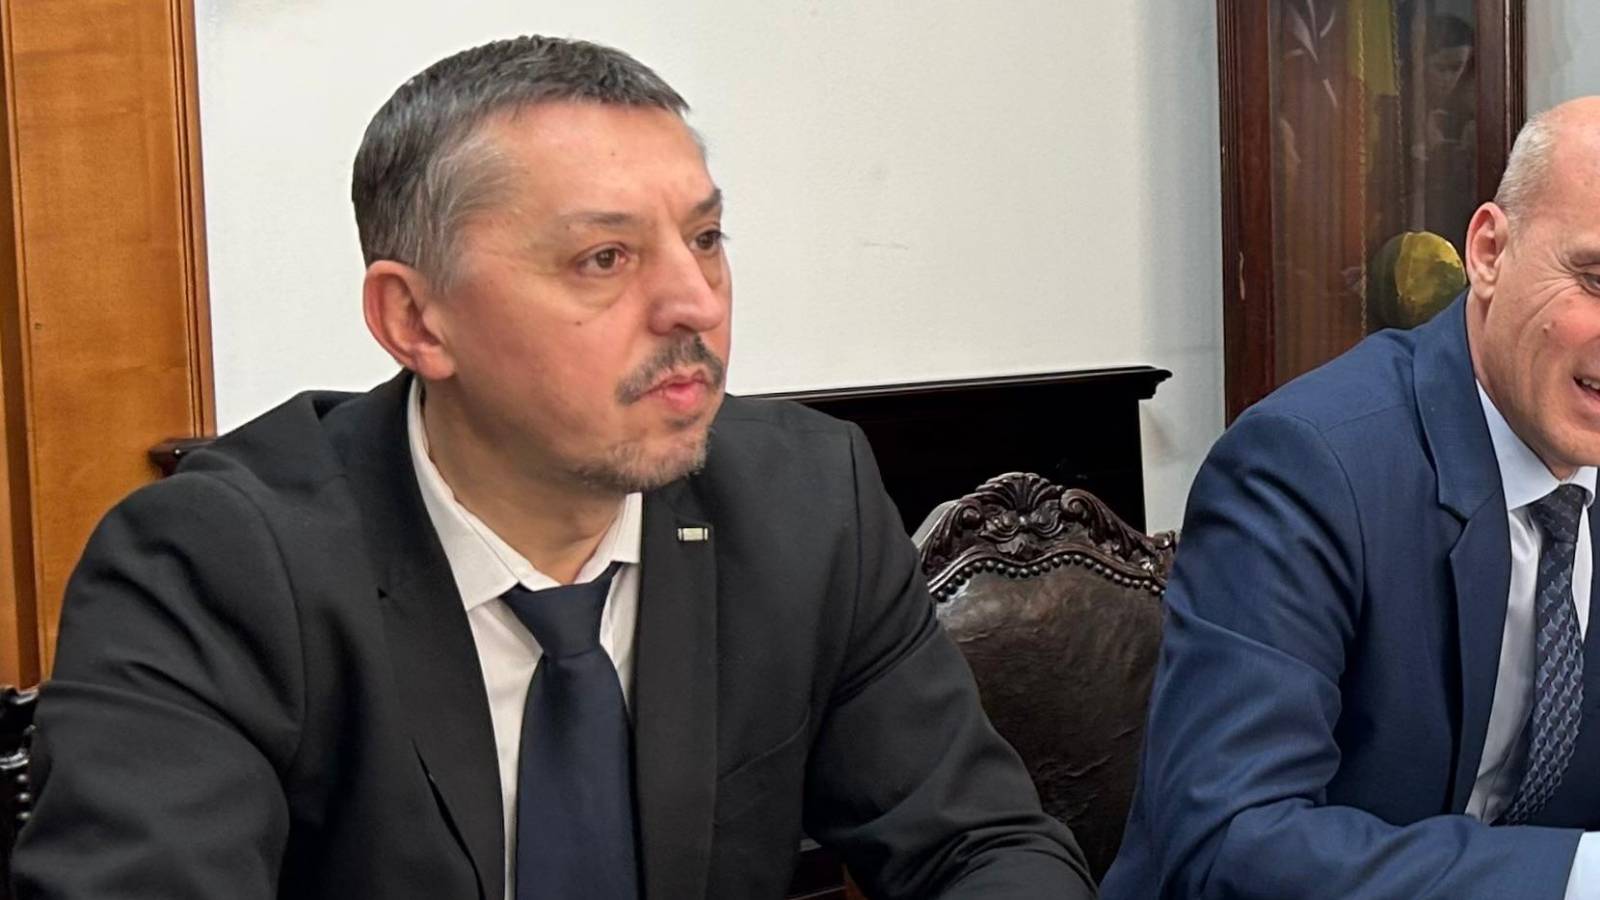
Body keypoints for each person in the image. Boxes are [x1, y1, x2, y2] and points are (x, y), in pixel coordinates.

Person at [12, 35, 1093, 900]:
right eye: (603, 258)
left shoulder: (805, 502)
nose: (694, 303)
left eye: (705, 239)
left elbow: (981, 846)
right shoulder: (216, 565)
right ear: (415, 319)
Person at [1102, 95, 1600, 898]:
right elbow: (1232, 840)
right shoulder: (1305, 467)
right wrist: (1579, 877)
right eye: (1597, 280)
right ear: (1489, 252)